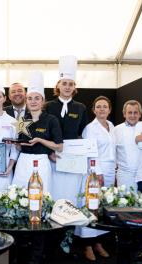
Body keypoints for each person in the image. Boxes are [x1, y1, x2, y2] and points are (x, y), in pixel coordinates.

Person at [76, 96, 115, 261]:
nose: (101, 109)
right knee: (91, 207)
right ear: (93, 110)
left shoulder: (111, 126)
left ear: (109, 109)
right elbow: (89, 153)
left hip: (110, 171)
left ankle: (99, 243)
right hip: (95, 172)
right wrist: (97, 172)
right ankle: (87, 245)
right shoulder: (89, 128)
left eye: (104, 107)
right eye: (98, 107)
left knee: (102, 208)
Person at [45, 55, 88, 201]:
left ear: (75, 87)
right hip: (52, 156)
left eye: (71, 84)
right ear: (58, 85)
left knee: (71, 191)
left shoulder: (81, 107)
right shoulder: (48, 106)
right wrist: (49, 152)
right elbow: (44, 132)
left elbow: (83, 134)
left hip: (73, 157)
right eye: (64, 83)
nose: (67, 87)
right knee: (54, 191)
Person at [11, 72, 63, 193]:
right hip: (22, 162)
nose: (33, 101)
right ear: (26, 101)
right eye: (30, 98)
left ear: (43, 101)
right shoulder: (22, 120)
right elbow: (19, 147)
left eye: (37, 98)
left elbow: (59, 147)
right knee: (18, 195)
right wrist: (15, 144)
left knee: (41, 196)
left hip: (42, 163)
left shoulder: (51, 120)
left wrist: (40, 140)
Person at [112, 100, 142, 189]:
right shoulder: (116, 130)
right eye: (129, 112)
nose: (132, 115)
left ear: (140, 114)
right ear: (124, 114)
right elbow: (113, 153)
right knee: (125, 201)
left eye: (135, 112)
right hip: (124, 176)